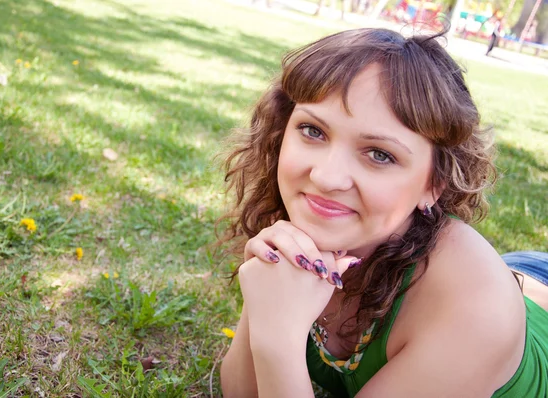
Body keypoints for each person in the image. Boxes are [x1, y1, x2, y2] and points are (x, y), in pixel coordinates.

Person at [218, 28, 548, 397]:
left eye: (379, 154)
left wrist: (279, 340)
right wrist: (266, 309)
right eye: (312, 130)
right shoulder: (310, 226)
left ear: (433, 184)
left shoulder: (474, 310)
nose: (325, 177)